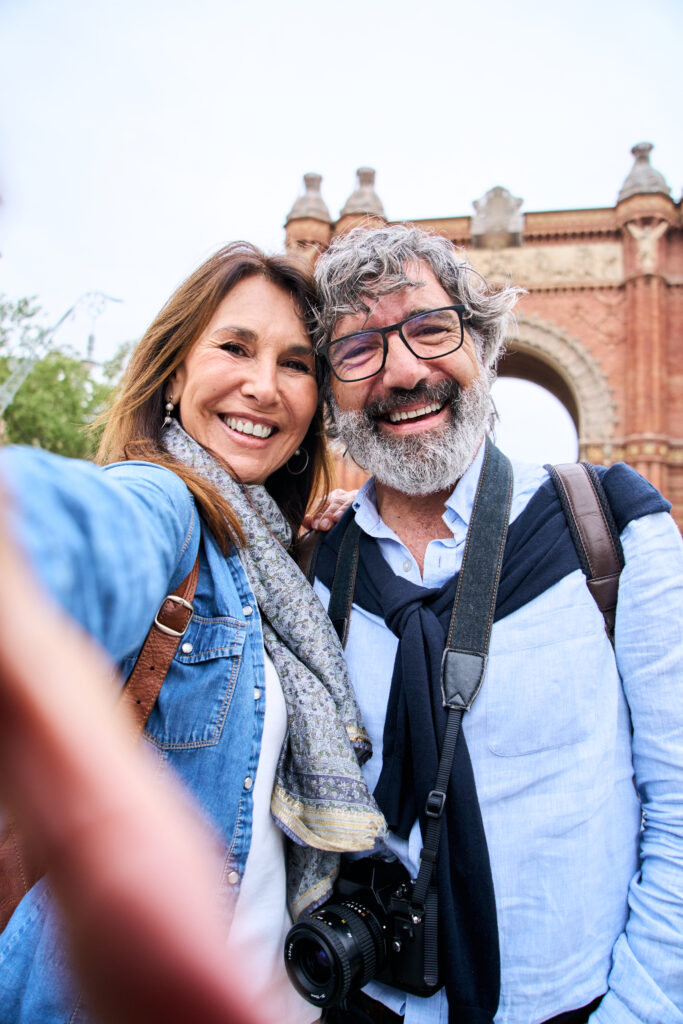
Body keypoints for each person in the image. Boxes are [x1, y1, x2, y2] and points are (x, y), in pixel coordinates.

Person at [0, 242, 385, 1023]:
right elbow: (72, 535)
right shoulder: (163, 503)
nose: (262, 386)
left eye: (295, 364)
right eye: (234, 348)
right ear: (174, 374)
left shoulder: (279, 563)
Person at [307, 224, 683, 1024]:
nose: (403, 371)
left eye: (430, 329)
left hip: (582, 1004)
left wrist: (639, 1011)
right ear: (328, 390)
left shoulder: (609, 532)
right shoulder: (313, 570)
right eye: (358, 349)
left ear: (480, 344)